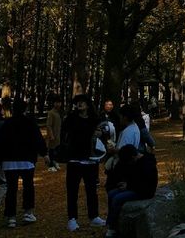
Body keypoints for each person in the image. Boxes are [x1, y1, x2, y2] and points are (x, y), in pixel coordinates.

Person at [0, 99, 47, 228]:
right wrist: (44, 153)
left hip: (9, 161)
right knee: (28, 187)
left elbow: (0, 142)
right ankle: (28, 213)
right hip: (26, 160)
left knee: (11, 189)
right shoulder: (30, 123)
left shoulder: (7, 123)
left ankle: (11, 217)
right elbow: (38, 139)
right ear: (25, 109)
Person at [61, 94, 106, 232]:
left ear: (87, 104)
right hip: (74, 159)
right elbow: (63, 135)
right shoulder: (70, 119)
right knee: (72, 190)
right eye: (77, 103)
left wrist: (101, 134)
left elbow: (103, 134)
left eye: (82, 102)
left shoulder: (95, 120)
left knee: (92, 190)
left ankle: (94, 217)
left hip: (91, 160)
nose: (79, 104)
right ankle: (72, 219)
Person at [105, 144, 158, 238]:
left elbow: (146, 183)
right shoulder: (131, 161)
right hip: (133, 187)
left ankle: (113, 226)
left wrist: (128, 186)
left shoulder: (147, 164)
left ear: (133, 157)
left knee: (117, 198)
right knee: (111, 194)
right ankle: (111, 224)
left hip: (144, 191)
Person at [45, 95, 63, 172]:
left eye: (59, 102)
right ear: (53, 103)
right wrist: (51, 135)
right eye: (56, 102)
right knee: (51, 151)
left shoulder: (59, 113)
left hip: (58, 136)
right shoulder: (51, 113)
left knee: (56, 150)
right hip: (52, 136)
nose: (58, 104)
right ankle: (50, 165)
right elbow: (48, 125)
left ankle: (55, 163)